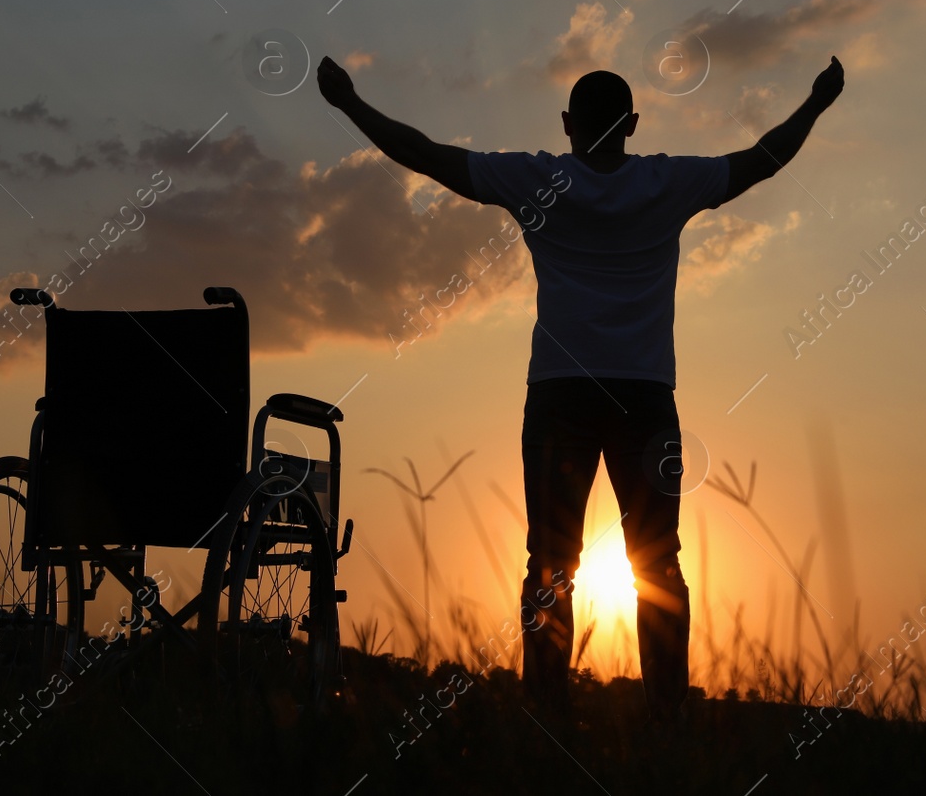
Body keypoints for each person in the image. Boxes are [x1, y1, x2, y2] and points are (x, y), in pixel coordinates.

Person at [318, 54, 845, 720]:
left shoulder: (538, 178)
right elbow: (763, 158)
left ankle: (544, 719)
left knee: (550, 563)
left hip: (562, 395)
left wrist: (349, 102)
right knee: (658, 563)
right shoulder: (668, 182)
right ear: (631, 123)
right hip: (645, 398)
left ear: (568, 123)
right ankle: (666, 721)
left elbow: (427, 155)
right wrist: (817, 99)